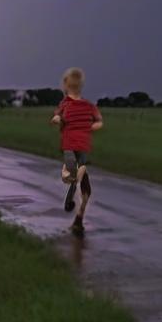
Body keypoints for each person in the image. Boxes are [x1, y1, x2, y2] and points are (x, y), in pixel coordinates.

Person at [50, 67, 103, 238]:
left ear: (65, 85)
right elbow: (99, 122)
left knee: (70, 173)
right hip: (83, 146)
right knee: (81, 177)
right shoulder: (89, 106)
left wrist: (57, 119)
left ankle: (73, 190)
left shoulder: (65, 104)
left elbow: (58, 116)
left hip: (70, 145)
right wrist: (91, 127)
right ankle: (79, 215)